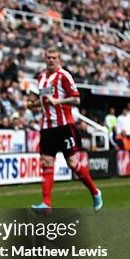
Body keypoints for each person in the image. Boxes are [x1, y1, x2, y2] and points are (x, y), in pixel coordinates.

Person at [30, 46, 102, 211]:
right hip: (47, 127)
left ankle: (95, 192)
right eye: (48, 57)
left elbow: (76, 100)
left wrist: (58, 102)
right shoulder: (41, 77)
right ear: (44, 57)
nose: (51, 60)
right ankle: (46, 204)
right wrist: (33, 104)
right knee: (46, 162)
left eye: (54, 58)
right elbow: (44, 99)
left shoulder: (64, 76)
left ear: (59, 59)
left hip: (64, 126)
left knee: (72, 163)